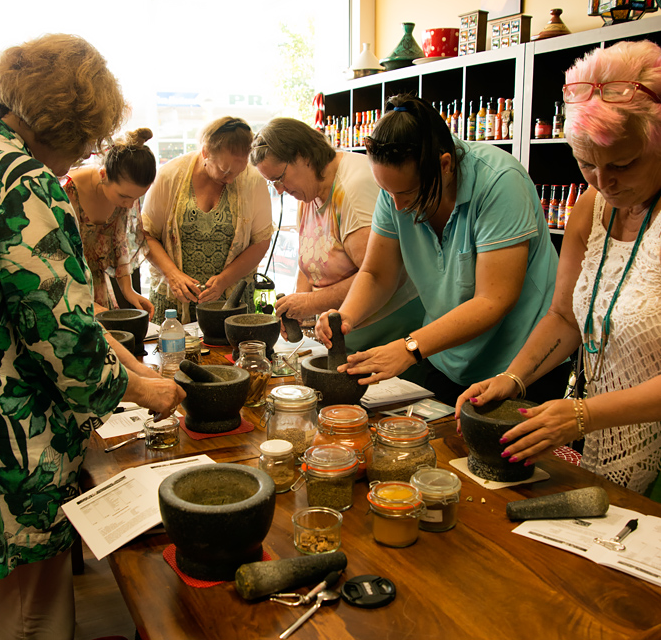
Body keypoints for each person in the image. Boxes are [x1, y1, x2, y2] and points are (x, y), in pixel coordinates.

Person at [0, 33, 185, 640]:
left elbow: (54, 311)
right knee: (33, 612)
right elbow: (65, 339)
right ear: (66, 118)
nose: (87, 150)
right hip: (15, 439)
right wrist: (145, 392)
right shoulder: (25, 184)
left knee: (5, 595)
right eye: (89, 135)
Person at [456, 40, 661, 500]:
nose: (604, 182)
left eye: (624, 164)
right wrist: (513, 378)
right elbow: (566, 317)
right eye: (587, 164)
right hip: (602, 445)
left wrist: (584, 414)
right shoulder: (592, 206)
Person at [315, 94, 564, 406]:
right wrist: (346, 316)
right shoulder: (396, 190)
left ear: (444, 165)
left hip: (518, 366)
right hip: (446, 357)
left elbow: (493, 299)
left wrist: (409, 347)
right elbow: (378, 273)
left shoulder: (499, 182)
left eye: (405, 193)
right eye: (386, 192)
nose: (396, 206)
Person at [250, 117, 424, 358]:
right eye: (272, 183)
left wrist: (311, 303)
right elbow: (310, 260)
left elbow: (379, 275)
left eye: (279, 178)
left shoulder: (353, 189)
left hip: (388, 330)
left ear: (304, 156)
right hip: (345, 329)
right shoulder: (308, 190)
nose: (279, 189)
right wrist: (298, 308)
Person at [142, 117, 273, 324]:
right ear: (205, 152)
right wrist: (172, 275)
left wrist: (225, 280)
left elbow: (262, 241)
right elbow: (146, 234)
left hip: (231, 305)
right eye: (224, 170)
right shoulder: (170, 175)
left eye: (237, 172)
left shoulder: (253, 180)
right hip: (173, 304)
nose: (230, 179)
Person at [63, 128, 156, 317]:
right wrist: (84, 301)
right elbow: (63, 258)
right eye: (124, 196)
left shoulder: (125, 199)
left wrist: (129, 291)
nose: (129, 204)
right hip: (70, 291)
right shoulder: (68, 192)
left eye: (136, 198)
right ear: (103, 174)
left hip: (101, 289)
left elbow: (119, 244)